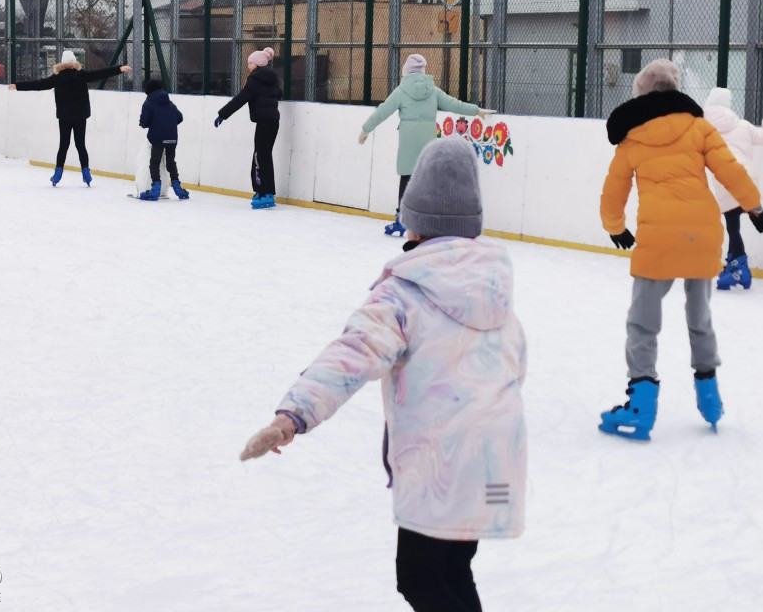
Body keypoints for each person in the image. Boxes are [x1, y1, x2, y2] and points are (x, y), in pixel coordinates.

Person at [241, 138, 527, 612]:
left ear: (412, 220)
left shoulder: (401, 294)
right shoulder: (494, 288)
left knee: (418, 577)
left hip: (442, 468)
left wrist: (292, 415)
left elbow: (350, 356)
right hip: (498, 462)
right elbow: (516, 365)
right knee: (453, 569)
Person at [599, 59, 763, 440]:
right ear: (676, 89)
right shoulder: (699, 127)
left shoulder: (632, 137)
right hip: (703, 235)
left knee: (643, 322)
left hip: (657, 239)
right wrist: (754, 207)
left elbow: (614, 190)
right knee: (700, 317)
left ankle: (640, 404)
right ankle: (710, 397)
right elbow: (730, 169)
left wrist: (616, 227)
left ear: (642, 94)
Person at [358, 53, 496, 236]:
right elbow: (454, 104)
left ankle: (401, 220)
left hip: (408, 141)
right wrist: (477, 111)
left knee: (407, 177)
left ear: (406, 71)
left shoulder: (401, 91)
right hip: (427, 140)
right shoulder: (433, 90)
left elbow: (383, 110)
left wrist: (366, 129)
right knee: (427, 179)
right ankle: (430, 219)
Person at [8, 51, 130, 187]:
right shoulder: (82, 75)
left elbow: (38, 84)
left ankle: (58, 173)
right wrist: (119, 69)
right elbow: (100, 73)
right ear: (73, 62)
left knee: (63, 145)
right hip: (80, 116)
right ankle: (86, 172)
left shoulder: (56, 78)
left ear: (62, 63)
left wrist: (18, 86)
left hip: (65, 116)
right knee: (80, 145)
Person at [703, 87, 763, 290]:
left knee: (732, 226)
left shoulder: (703, 129)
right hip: (748, 178)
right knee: (736, 224)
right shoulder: (743, 125)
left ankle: (740, 268)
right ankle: (735, 265)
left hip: (725, 181)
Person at [213, 46, 281, 209]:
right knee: (264, 155)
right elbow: (279, 94)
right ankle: (265, 192)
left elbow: (240, 99)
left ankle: (264, 193)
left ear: (256, 64)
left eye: (250, 63)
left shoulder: (255, 80)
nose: (248, 66)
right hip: (273, 121)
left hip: (264, 122)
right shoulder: (272, 78)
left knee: (260, 156)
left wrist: (223, 114)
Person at [138, 79, 188, 200]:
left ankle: (155, 189)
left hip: (157, 137)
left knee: (154, 163)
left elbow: (144, 122)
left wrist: (150, 123)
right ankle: (178, 188)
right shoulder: (169, 103)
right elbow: (180, 117)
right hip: (172, 137)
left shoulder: (148, 102)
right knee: (171, 163)